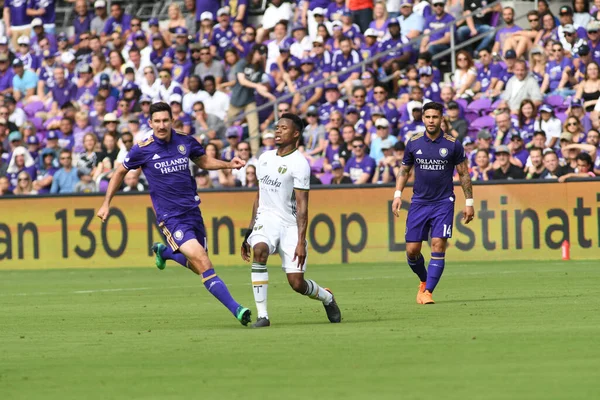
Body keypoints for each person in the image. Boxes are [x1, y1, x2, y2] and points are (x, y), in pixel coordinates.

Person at [96, 102, 252, 326]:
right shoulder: (143, 148)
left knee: (198, 263)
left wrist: (228, 164)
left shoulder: (185, 140)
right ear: (150, 123)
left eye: (165, 120)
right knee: (203, 262)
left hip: (193, 212)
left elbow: (203, 160)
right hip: (171, 218)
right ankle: (237, 309)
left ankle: (165, 253)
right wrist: (106, 203)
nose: (161, 125)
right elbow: (120, 171)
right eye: (157, 121)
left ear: (171, 120)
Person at [241, 113, 341, 328]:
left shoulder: (299, 164)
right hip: (266, 219)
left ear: (296, 134)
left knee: (296, 284)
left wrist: (300, 242)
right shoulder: (265, 158)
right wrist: (249, 232)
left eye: (283, 128)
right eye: (277, 127)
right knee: (259, 250)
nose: (278, 131)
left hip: (289, 225)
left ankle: (327, 297)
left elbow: (303, 208)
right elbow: (259, 196)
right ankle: (263, 316)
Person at [391, 101, 474, 305]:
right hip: (419, 202)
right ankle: (423, 280)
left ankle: (428, 292)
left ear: (441, 118)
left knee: (438, 245)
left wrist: (469, 202)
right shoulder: (414, 142)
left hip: (443, 202)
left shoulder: (452, 144)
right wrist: (397, 194)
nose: (431, 120)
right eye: (427, 117)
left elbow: (463, 173)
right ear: (422, 118)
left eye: (435, 117)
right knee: (412, 250)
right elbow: (404, 170)